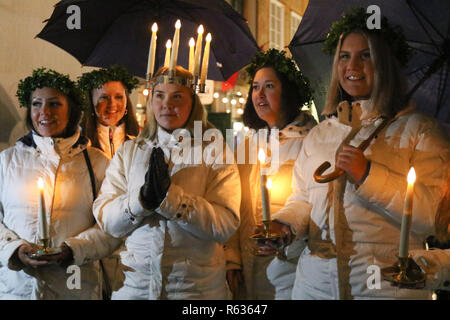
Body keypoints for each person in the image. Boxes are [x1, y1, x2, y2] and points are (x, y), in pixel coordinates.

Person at [256, 8, 449, 299]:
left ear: (385, 63)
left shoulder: (420, 131)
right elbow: (303, 199)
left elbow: (432, 217)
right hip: (313, 287)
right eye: (344, 56)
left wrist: (368, 175)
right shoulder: (322, 132)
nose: (352, 64)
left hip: (383, 289)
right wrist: (285, 226)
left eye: (366, 55)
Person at [93, 66, 241, 300]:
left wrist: (171, 200)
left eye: (177, 97)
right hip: (136, 289)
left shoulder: (213, 151)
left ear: (192, 103)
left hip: (195, 292)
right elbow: (107, 219)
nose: (166, 104)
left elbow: (225, 225)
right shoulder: (130, 152)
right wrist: (140, 202)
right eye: (160, 95)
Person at [0, 68, 120, 299]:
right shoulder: (7, 161)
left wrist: (73, 249)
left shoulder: (97, 163)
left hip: (76, 288)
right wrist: (15, 250)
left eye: (55, 104)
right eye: (36, 104)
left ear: (71, 110)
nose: (44, 112)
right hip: (17, 289)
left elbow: (112, 227)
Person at [225, 49, 316, 300]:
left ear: (286, 91)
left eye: (269, 86)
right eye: (255, 87)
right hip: (248, 267)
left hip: (292, 268)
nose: (259, 94)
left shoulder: (311, 142)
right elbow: (233, 203)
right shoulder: (247, 145)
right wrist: (232, 258)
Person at [78, 65, 140, 160]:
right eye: (104, 98)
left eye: (118, 97)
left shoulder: (140, 137)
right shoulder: (78, 139)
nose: (112, 104)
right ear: (91, 102)